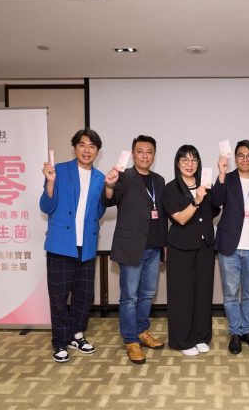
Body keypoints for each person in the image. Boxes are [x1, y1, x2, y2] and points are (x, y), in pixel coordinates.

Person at [40, 127, 107, 363]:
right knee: (59, 296)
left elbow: (99, 211)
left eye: (92, 146)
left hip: (86, 245)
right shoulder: (58, 171)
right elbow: (46, 207)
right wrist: (50, 183)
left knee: (84, 295)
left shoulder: (100, 178)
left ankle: (76, 335)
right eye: (82, 145)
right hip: (61, 244)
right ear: (75, 147)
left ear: (97, 151)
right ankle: (60, 340)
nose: (87, 150)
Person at [103, 135, 168, 365]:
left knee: (147, 294)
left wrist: (164, 245)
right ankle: (131, 340)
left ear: (154, 155)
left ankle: (142, 331)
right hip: (131, 246)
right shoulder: (123, 177)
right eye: (140, 151)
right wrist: (109, 185)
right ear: (133, 154)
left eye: (149, 152)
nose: (145, 156)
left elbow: (162, 215)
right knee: (129, 297)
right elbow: (108, 200)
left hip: (154, 246)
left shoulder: (159, 180)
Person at [211, 139, 249, 354]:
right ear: (235, 158)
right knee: (230, 293)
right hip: (230, 246)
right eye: (241, 155)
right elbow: (215, 202)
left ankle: (247, 330)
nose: (245, 159)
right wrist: (221, 173)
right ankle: (235, 332)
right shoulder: (227, 179)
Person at [163, 145, 224, 356]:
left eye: (194, 160)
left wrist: (221, 175)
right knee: (182, 295)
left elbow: (217, 205)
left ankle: (201, 337)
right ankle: (183, 340)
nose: (190, 164)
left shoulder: (205, 185)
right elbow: (180, 218)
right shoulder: (170, 188)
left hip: (205, 246)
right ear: (177, 163)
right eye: (185, 160)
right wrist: (197, 201)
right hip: (180, 248)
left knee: (203, 293)